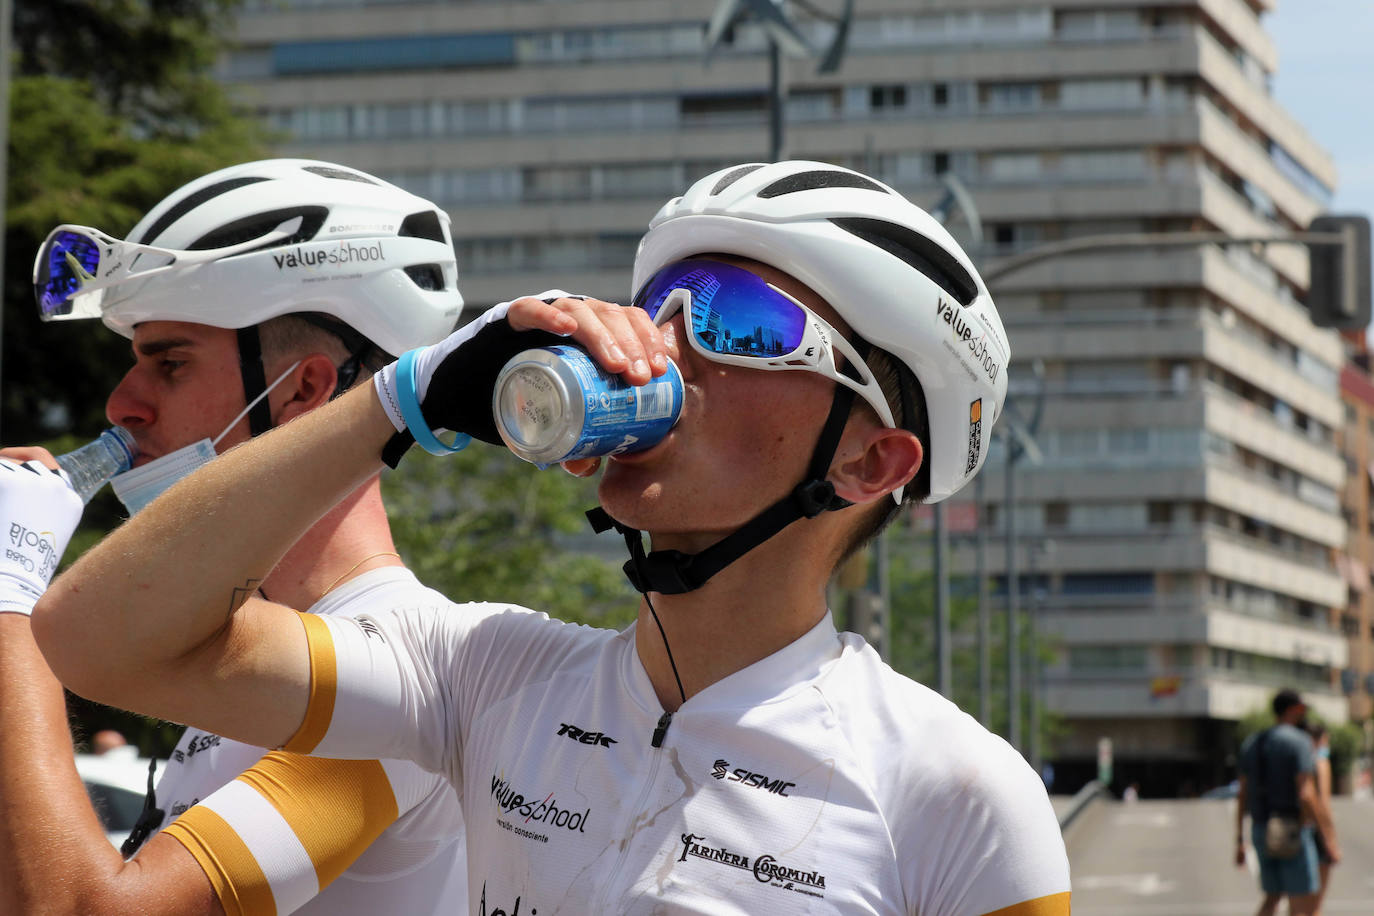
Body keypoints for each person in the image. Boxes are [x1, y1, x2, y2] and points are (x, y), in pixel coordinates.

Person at [35, 160, 1072, 913]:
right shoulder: (486, 674)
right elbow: (95, 643)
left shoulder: (955, 791)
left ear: (869, 463)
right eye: (660, 305)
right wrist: (401, 399)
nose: (661, 345)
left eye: (736, 320)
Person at [0, 159, 471, 915]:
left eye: (171, 364)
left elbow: (77, 909)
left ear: (303, 393)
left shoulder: (400, 673)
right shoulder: (240, 646)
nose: (124, 405)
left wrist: (8, 592)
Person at [1235, 689, 1340, 916]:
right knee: (1302, 905)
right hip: (1292, 830)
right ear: (1294, 710)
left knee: (1271, 898)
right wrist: (1328, 835)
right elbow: (1306, 793)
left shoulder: (1253, 743)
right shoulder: (1299, 741)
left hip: (1261, 828)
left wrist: (1239, 839)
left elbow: (1242, 794)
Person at [1305, 722, 1338, 916]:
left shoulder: (1297, 761)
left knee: (1297, 904)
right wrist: (1331, 839)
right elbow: (1324, 805)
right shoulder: (1321, 763)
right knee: (1315, 904)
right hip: (1317, 833)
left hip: (1299, 830)